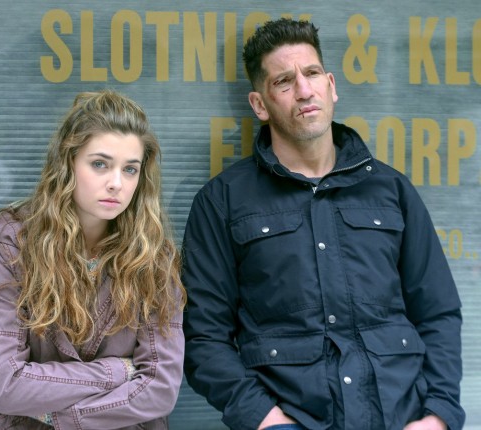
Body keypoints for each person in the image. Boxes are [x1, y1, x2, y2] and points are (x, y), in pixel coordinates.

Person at [182, 18, 465, 430]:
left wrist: (437, 416)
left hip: (402, 419)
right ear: (259, 105)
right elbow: (204, 338)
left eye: (312, 73)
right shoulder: (222, 201)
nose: (304, 90)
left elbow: (438, 313)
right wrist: (267, 421)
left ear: (331, 85)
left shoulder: (392, 190)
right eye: (283, 81)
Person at [0, 90, 186, 429]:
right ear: (68, 162)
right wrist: (118, 372)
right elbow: (5, 383)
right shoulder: (12, 240)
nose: (116, 183)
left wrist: (62, 416)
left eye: (130, 169)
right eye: (100, 164)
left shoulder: (155, 257)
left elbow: (160, 390)